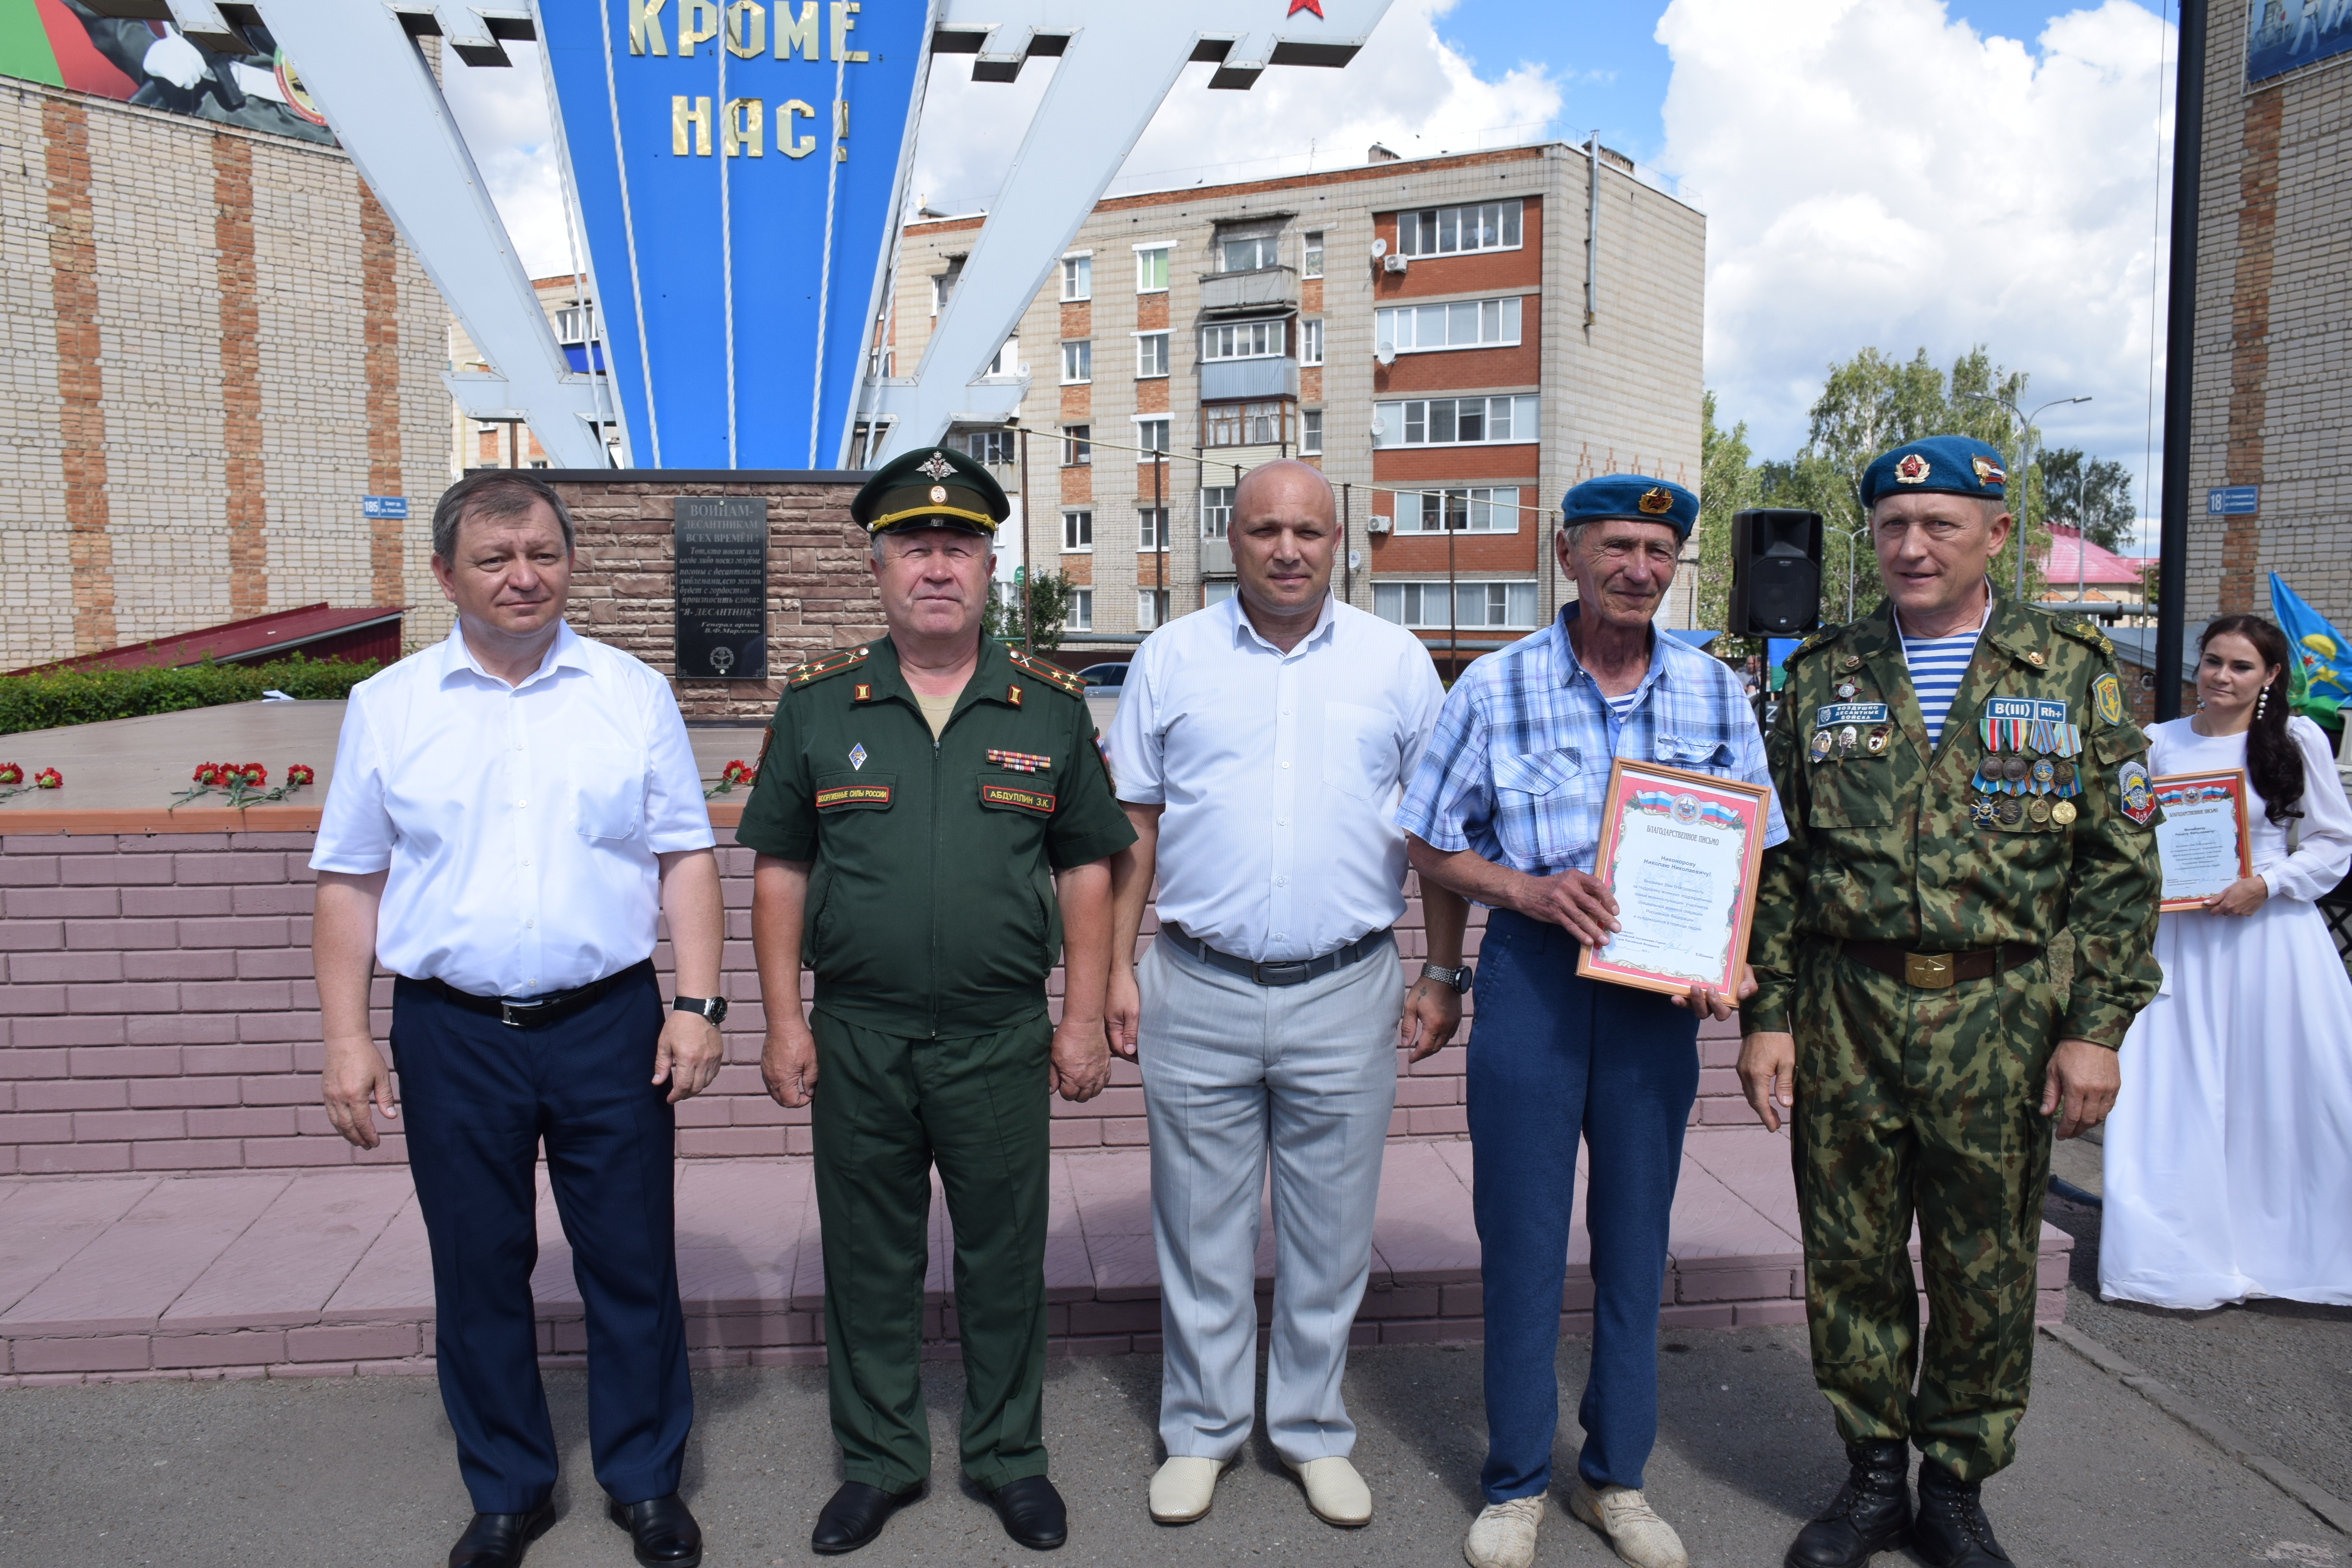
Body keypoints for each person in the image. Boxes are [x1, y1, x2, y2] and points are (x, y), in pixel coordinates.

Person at [1739, 436, 2162, 1568]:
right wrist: (1767, 1013)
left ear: (1996, 535)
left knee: (1984, 1267)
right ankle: (1874, 1477)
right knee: (1854, 1256)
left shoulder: (2070, 671)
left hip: (2004, 1017)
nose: (1913, 545)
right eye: (1892, 526)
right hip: (1848, 1012)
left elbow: (2121, 870)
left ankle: (1959, 1488)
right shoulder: (1820, 673)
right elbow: (1778, 862)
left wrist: (2095, 1030)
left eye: (1939, 525)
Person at [312, 470, 722, 1568]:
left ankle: (644, 1480)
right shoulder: (389, 706)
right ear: (447, 574)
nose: (523, 576)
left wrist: (695, 1003)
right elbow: (350, 879)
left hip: (609, 1025)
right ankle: (509, 1487)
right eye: (494, 559)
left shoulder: (631, 693)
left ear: (569, 560)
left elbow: (685, 855)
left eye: (541, 552)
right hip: (451, 1031)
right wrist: (347, 1038)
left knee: (632, 1260)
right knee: (478, 1265)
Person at [737, 446, 1136, 1556]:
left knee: (1005, 1255)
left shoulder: (1047, 708)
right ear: (878, 567)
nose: (937, 564)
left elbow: (1088, 867)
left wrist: (1079, 1014)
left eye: (958, 545)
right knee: (869, 1255)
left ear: (989, 566)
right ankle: (880, 1461)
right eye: (915, 544)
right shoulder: (821, 708)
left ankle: (1010, 1458)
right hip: (858, 1034)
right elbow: (781, 868)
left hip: (999, 1035)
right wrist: (781, 1019)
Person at [1399, 475, 1785, 1568]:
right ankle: (1517, 1482)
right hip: (1534, 980)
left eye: (1661, 552)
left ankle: (1615, 1478)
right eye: (1619, 546)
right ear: (1567, 554)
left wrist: (1729, 955)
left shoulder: (1715, 692)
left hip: (1659, 999)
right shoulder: (1494, 685)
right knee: (1520, 1238)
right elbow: (1429, 843)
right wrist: (1524, 892)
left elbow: (1749, 851)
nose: (1640, 569)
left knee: (1633, 1240)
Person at [1102, 460, 1470, 1530]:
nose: (1287, 549)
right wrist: (1118, 969)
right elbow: (1135, 826)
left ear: (1341, 538)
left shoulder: (1396, 664)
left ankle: (1310, 1430)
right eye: (1265, 528)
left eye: (1308, 530)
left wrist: (1443, 973)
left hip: (1346, 987)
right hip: (1197, 983)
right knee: (1200, 1229)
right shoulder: (1170, 658)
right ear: (1233, 536)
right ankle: (1203, 1431)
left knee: (1329, 1234)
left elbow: (1438, 833)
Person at [2101, 614, 2352, 1308]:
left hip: (2271, 939)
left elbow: (2334, 843)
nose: (2221, 677)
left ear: (2271, 676)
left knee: (2280, 1089)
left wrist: (2267, 886)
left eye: (2241, 666)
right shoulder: (2156, 743)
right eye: (2213, 661)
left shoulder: (2297, 741)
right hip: (2180, 940)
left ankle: (2288, 1250)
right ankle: (2177, 1250)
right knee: (2177, 1088)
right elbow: (2126, 836)